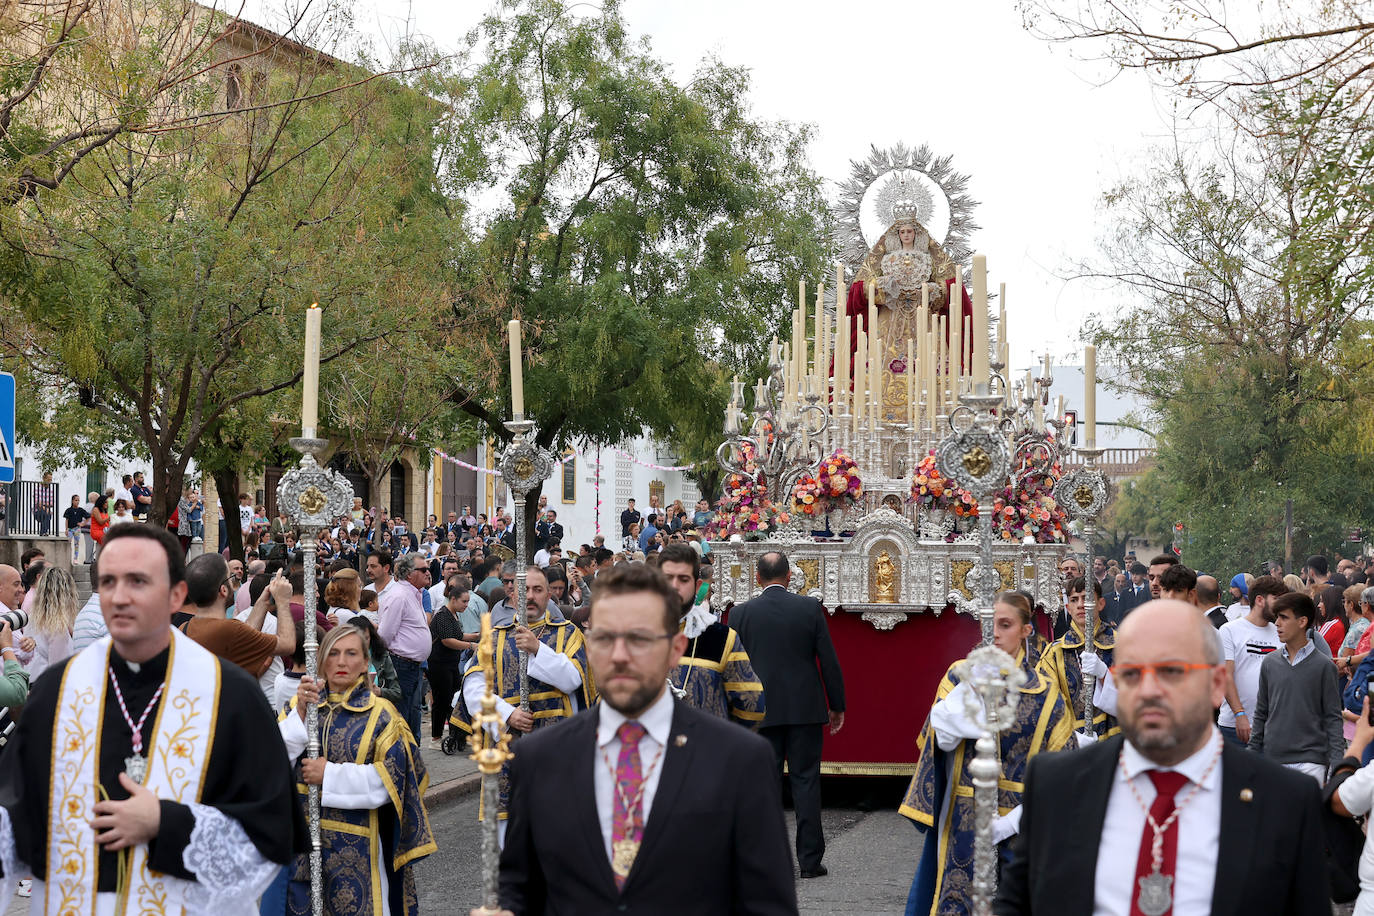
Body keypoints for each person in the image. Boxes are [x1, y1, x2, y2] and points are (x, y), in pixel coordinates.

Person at [0, 523, 305, 910]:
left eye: (138, 581)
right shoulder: (57, 690)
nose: (120, 596)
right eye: (109, 582)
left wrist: (166, 821)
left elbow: (268, 832)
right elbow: (13, 815)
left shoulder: (230, 694)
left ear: (176, 594)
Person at [489, 562, 797, 915]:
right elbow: (520, 889)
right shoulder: (540, 757)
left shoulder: (739, 760)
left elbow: (768, 904)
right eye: (604, 637)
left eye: (638, 637)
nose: (619, 656)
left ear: (675, 648)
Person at [995, 599, 1331, 914]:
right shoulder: (1058, 785)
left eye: (1171, 671)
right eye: (1131, 674)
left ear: (1216, 685)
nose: (1149, 689)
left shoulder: (1285, 801)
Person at [903, 591, 1078, 916]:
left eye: (1005, 624)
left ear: (1026, 630)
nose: (994, 633)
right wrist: (967, 697)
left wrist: (1013, 822)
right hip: (962, 820)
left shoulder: (1046, 695)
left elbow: (1063, 773)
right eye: (989, 624)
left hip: (1021, 825)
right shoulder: (959, 675)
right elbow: (936, 740)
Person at [279, 625, 435, 916]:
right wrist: (299, 716)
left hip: (361, 848)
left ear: (365, 663)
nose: (341, 662)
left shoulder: (382, 715)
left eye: (351, 653)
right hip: (302, 847)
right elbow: (270, 764)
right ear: (321, 660)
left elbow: (393, 781)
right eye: (333, 653)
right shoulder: (301, 707)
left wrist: (331, 775)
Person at [450, 565, 594, 835]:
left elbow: (575, 679)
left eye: (537, 590)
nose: (530, 596)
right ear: (512, 595)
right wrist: (506, 714)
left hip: (558, 751)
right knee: (512, 845)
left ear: (549, 595)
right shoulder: (494, 638)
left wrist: (538, 649)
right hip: (509, 747)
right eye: (523, 590)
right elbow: (472, 690)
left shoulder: (568, 633)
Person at [729, 551, 845, 879]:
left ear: (757, 578)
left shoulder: (740, 614)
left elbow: (734, 665)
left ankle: (764, 860)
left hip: (758, 711)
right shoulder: (809, 608)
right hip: (804, 709)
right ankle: (810, 861)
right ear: (789, 576)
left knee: (763, 786)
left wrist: (733, 710)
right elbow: (828, 660)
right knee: (806, 782)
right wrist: (837, 704)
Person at [657, 543, 764, 728]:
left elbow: (751, 705)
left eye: (683, 579)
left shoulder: (722, 638)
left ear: (698, 585)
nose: (674, 586)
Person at [1249, 592, 1344, 782]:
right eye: (1277, 617)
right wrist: (1252, 752)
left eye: (1283, 617)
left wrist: (1337, 765)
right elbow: (1261, 711)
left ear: (1302, 622)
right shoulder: (1270, 663)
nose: (1276, 623)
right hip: (1273, 758)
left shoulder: (1324, 666)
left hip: (1311, 762)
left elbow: (1333, 718)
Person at [181, 555, 295, 691]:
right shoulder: (230, 629)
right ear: (223, 590)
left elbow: (246, 631)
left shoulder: (184, 628)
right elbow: (287, 644)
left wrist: (263, 601)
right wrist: (283, 601)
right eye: (231, 577)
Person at [1038, 576, 1118, 737]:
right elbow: (1044, 702)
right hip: (1072, 740)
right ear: (1068, 607)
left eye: (1087, 598)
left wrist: (1105, 676)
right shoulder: (1055, 653)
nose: (1081, 605)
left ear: (1101, 603)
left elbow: (1137, 699)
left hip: (1116, 739)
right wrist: (1071, 737)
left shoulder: (1122, 645)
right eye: (1074, 600)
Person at [372, 551, 431, 740]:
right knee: (400, 717)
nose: (428, 573)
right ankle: (399, 758)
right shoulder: (399, 596)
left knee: (412, 716)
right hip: (400, 665)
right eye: (423, 570)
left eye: (428, 569)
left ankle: (410, 757)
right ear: (409, 574)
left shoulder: (414, 594)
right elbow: (385, 634)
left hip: (412, 665)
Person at [427, 579, 475, 749]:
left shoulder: (454, 615)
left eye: (468, 601)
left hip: (451, 663)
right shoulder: (442, 615)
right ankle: (436, 737)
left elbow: (459, 635)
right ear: (453, 599)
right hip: (439, 663)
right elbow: (448, 640)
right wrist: (471, 645)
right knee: (442, 700)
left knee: (455, 698)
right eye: (464, 601)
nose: (466, 605)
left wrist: (477, 635)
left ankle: (457, 735)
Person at [24, 566, 79, 680]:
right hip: (46, 688)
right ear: (68, 594)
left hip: (32, 682)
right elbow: (58, 672)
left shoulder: (33, 618)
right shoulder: (58, 627)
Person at [63, 494, 88, 563]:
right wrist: (66, 529)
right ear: (72, 501)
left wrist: (83, 523)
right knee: (68, 543)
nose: (77, 502)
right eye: (76, 500)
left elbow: (88, 517)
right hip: (70, 529)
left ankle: (75, 558)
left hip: (77, 529)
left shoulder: (81, 510)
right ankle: (67, 557)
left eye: (78, 500)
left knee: (76, 544)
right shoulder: (69, 510)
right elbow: (67, 520)